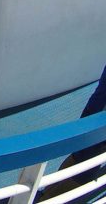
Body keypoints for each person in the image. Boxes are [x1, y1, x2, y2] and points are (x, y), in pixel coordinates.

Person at [39, 65, 106, 201]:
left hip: (94, 122)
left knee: (81, 157)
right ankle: (49, 196)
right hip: (96, 127)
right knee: (84, 164)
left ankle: (48, 194)